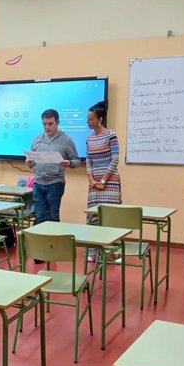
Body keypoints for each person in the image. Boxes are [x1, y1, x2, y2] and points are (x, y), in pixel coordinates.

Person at [25, 109, 80, 225]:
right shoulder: (37, 139)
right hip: (38, 183)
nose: (47, 127)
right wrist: (29, 163)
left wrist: (69, 163)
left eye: (50, 124)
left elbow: (77, 161)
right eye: (44, 124)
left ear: (57, 122)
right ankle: (41, 243)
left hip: (55, 183)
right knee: (40, 217)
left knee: (53, 217)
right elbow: (32, 161)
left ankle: (54, 243)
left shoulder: (66, 140)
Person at [85, 101, 122, 260]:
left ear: (99, 119)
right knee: (93, 216)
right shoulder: (89, 138)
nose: (88, 121)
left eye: (91, 119)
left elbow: (115, 159)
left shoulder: (111, 135)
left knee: (110, 217)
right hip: (94, 183)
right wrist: (91, 179)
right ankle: (93, 252)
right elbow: (88, 160)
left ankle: (114, 253)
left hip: (110, 182)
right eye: (87, 118)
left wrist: (104, 180)